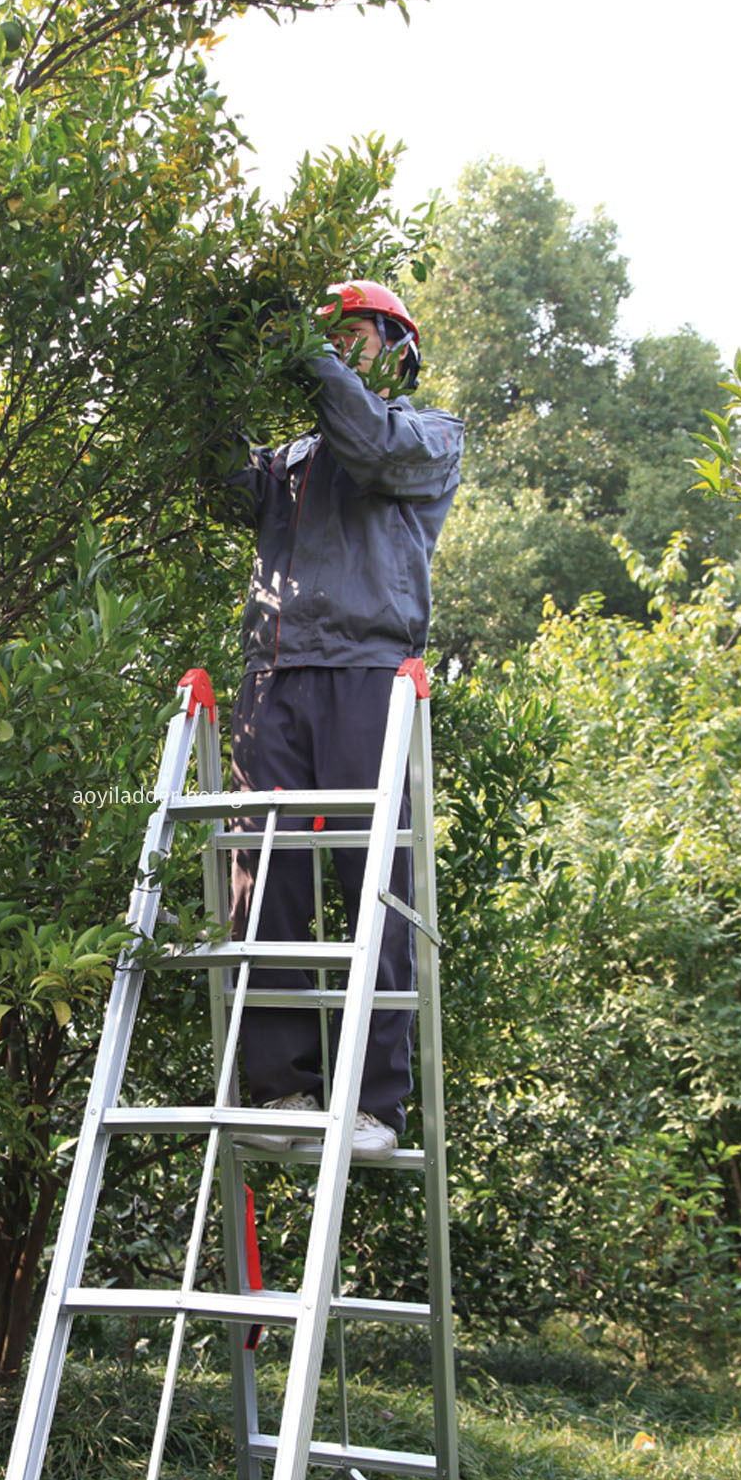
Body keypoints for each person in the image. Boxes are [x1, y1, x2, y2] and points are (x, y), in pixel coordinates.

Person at [208, 280, 463, 1157]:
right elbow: (217, 482)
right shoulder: (284, 460)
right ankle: (278, 1090)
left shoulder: (426, 434)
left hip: (365, 674)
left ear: (396, 349)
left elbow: (368, 442)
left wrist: (310, 358)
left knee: (372, 884)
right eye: (330, 339)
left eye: (355, 335)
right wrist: (215, 362)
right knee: (263, 874)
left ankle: (372, 1105)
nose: (341, 349)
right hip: (274, 678)